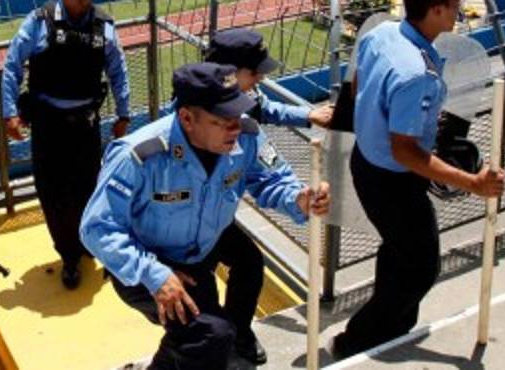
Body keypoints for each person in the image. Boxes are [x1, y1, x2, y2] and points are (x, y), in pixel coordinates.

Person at [81, 62, 331, 368]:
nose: (235, 127)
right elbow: (97, 228)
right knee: (211, 334)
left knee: (219, 315)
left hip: (202, 250)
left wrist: (299, 199)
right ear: (187, 118)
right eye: (222, 120)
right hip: (144, 264)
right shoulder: (139, 155)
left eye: (238, 115)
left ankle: (200, 354)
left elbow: (272, 180)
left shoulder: (246, 136)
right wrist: (156, 275)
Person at [330, 0, 505, 358]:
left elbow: (358, 86)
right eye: (456, 3)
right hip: (394, 178)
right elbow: (405, 151)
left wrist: (377, 119)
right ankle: (357, 339)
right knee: (423, 266)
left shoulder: (381, 34)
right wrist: (472, 183)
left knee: (398, 248)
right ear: (437, 10)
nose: (460, 10)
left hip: (368, 162)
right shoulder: (415, 74)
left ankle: (396, 324)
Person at [2, 0, 131, 289]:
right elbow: (12, 66)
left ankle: (90, 243)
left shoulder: (104, 26)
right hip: (48, 129)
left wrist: (123, 113)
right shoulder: (38, 21)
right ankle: (69, 256)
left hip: (86, 128)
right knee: (54, 195)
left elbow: (118, 71)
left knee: (90, 190)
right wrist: (9, 113)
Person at [204, 28, 334, 128]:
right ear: (228, 73)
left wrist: (309, 114)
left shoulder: (242, 90)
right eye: (254, 72)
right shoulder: (202, 114)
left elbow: (263, 108)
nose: (261, 78)